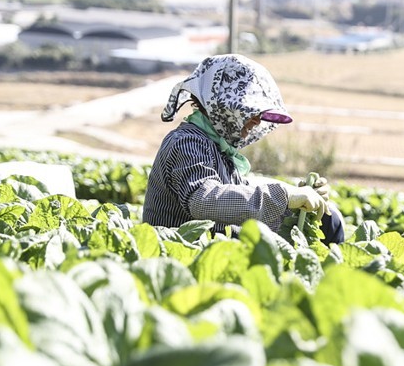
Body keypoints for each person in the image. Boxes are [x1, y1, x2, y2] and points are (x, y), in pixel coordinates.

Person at [142, 53, 345, 243]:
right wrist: (285, 196)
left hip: (214, 253)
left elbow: (242, 208)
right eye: (249, 109)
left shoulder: (218, 147)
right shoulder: (186, 143)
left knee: (330, 220)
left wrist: (298, 202)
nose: (257, 120)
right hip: (180, 257)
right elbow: (204, 201)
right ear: (222, 104)